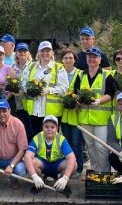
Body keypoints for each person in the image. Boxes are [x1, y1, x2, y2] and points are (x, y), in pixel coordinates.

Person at [73, 47, 116, 172]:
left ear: (100, 59)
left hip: (102, 119)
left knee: (101, 147)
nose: (92, 59)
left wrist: (99, 101)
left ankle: (105, 172)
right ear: (86, 59)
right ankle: (95, 172)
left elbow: (110, 94)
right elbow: (75, 92)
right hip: (85, 118)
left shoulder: (107, 75)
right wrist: (78, 99)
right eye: (89, 57)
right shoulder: (81, 75)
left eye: (95, 57)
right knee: (90, 147)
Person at [22, 41, 68, 138]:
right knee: (36, 138)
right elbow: (24, 83)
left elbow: (64, 88)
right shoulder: (30, 66)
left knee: (51, 139)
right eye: (42, 51)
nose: (45, 53)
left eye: (47, 51)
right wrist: (30, 89)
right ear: (38, 52)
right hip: (34, 111)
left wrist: (49, 90)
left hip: (52, 113)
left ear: (52, 53)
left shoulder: (58, 67)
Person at [26, 115, 77, 193]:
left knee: (74, 165)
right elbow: (27, 156)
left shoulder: (61, 139)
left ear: (57, 128)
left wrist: (65, 178)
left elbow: (71, 157)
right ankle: (40, 180)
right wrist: (34, 176)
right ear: (42, 127)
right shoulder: (37, 138)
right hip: (43, 165)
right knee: (31, 162)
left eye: (52, 127)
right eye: (46, 127)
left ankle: (61, 181)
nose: (49, 129)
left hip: (57, 165)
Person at [59, 48, 84, 176]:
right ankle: (69, 167)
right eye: (66, 58)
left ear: (75, 60)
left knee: (76, 143)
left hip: (76, 114)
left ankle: (78, 168)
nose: (68, 60)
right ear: (62, 60)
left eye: (71, 58)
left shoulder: (81, 74)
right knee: (66, 143)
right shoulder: (58, 72)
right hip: (63, 114)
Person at [11, 43, 32, 134]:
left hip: (30, 102)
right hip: (17, 103)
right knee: (20, 127)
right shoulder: (13, 67)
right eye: (20, 51)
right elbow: (11, 83)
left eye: (24, 51)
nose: (22, 53)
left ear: (28, 53)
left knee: (30, 127)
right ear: (16, 54)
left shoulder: (32, 66)